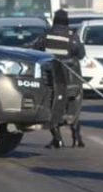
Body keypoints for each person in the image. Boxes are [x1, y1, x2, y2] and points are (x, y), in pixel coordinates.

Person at [34, 8, 86, 148]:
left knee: (51, 108)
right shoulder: (72, 36)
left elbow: (35, 51)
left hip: (52, 81)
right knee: (74, 107)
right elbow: (81, 54)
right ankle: (76, 137)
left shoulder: (46, 36)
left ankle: (57, 138)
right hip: (71, 80)